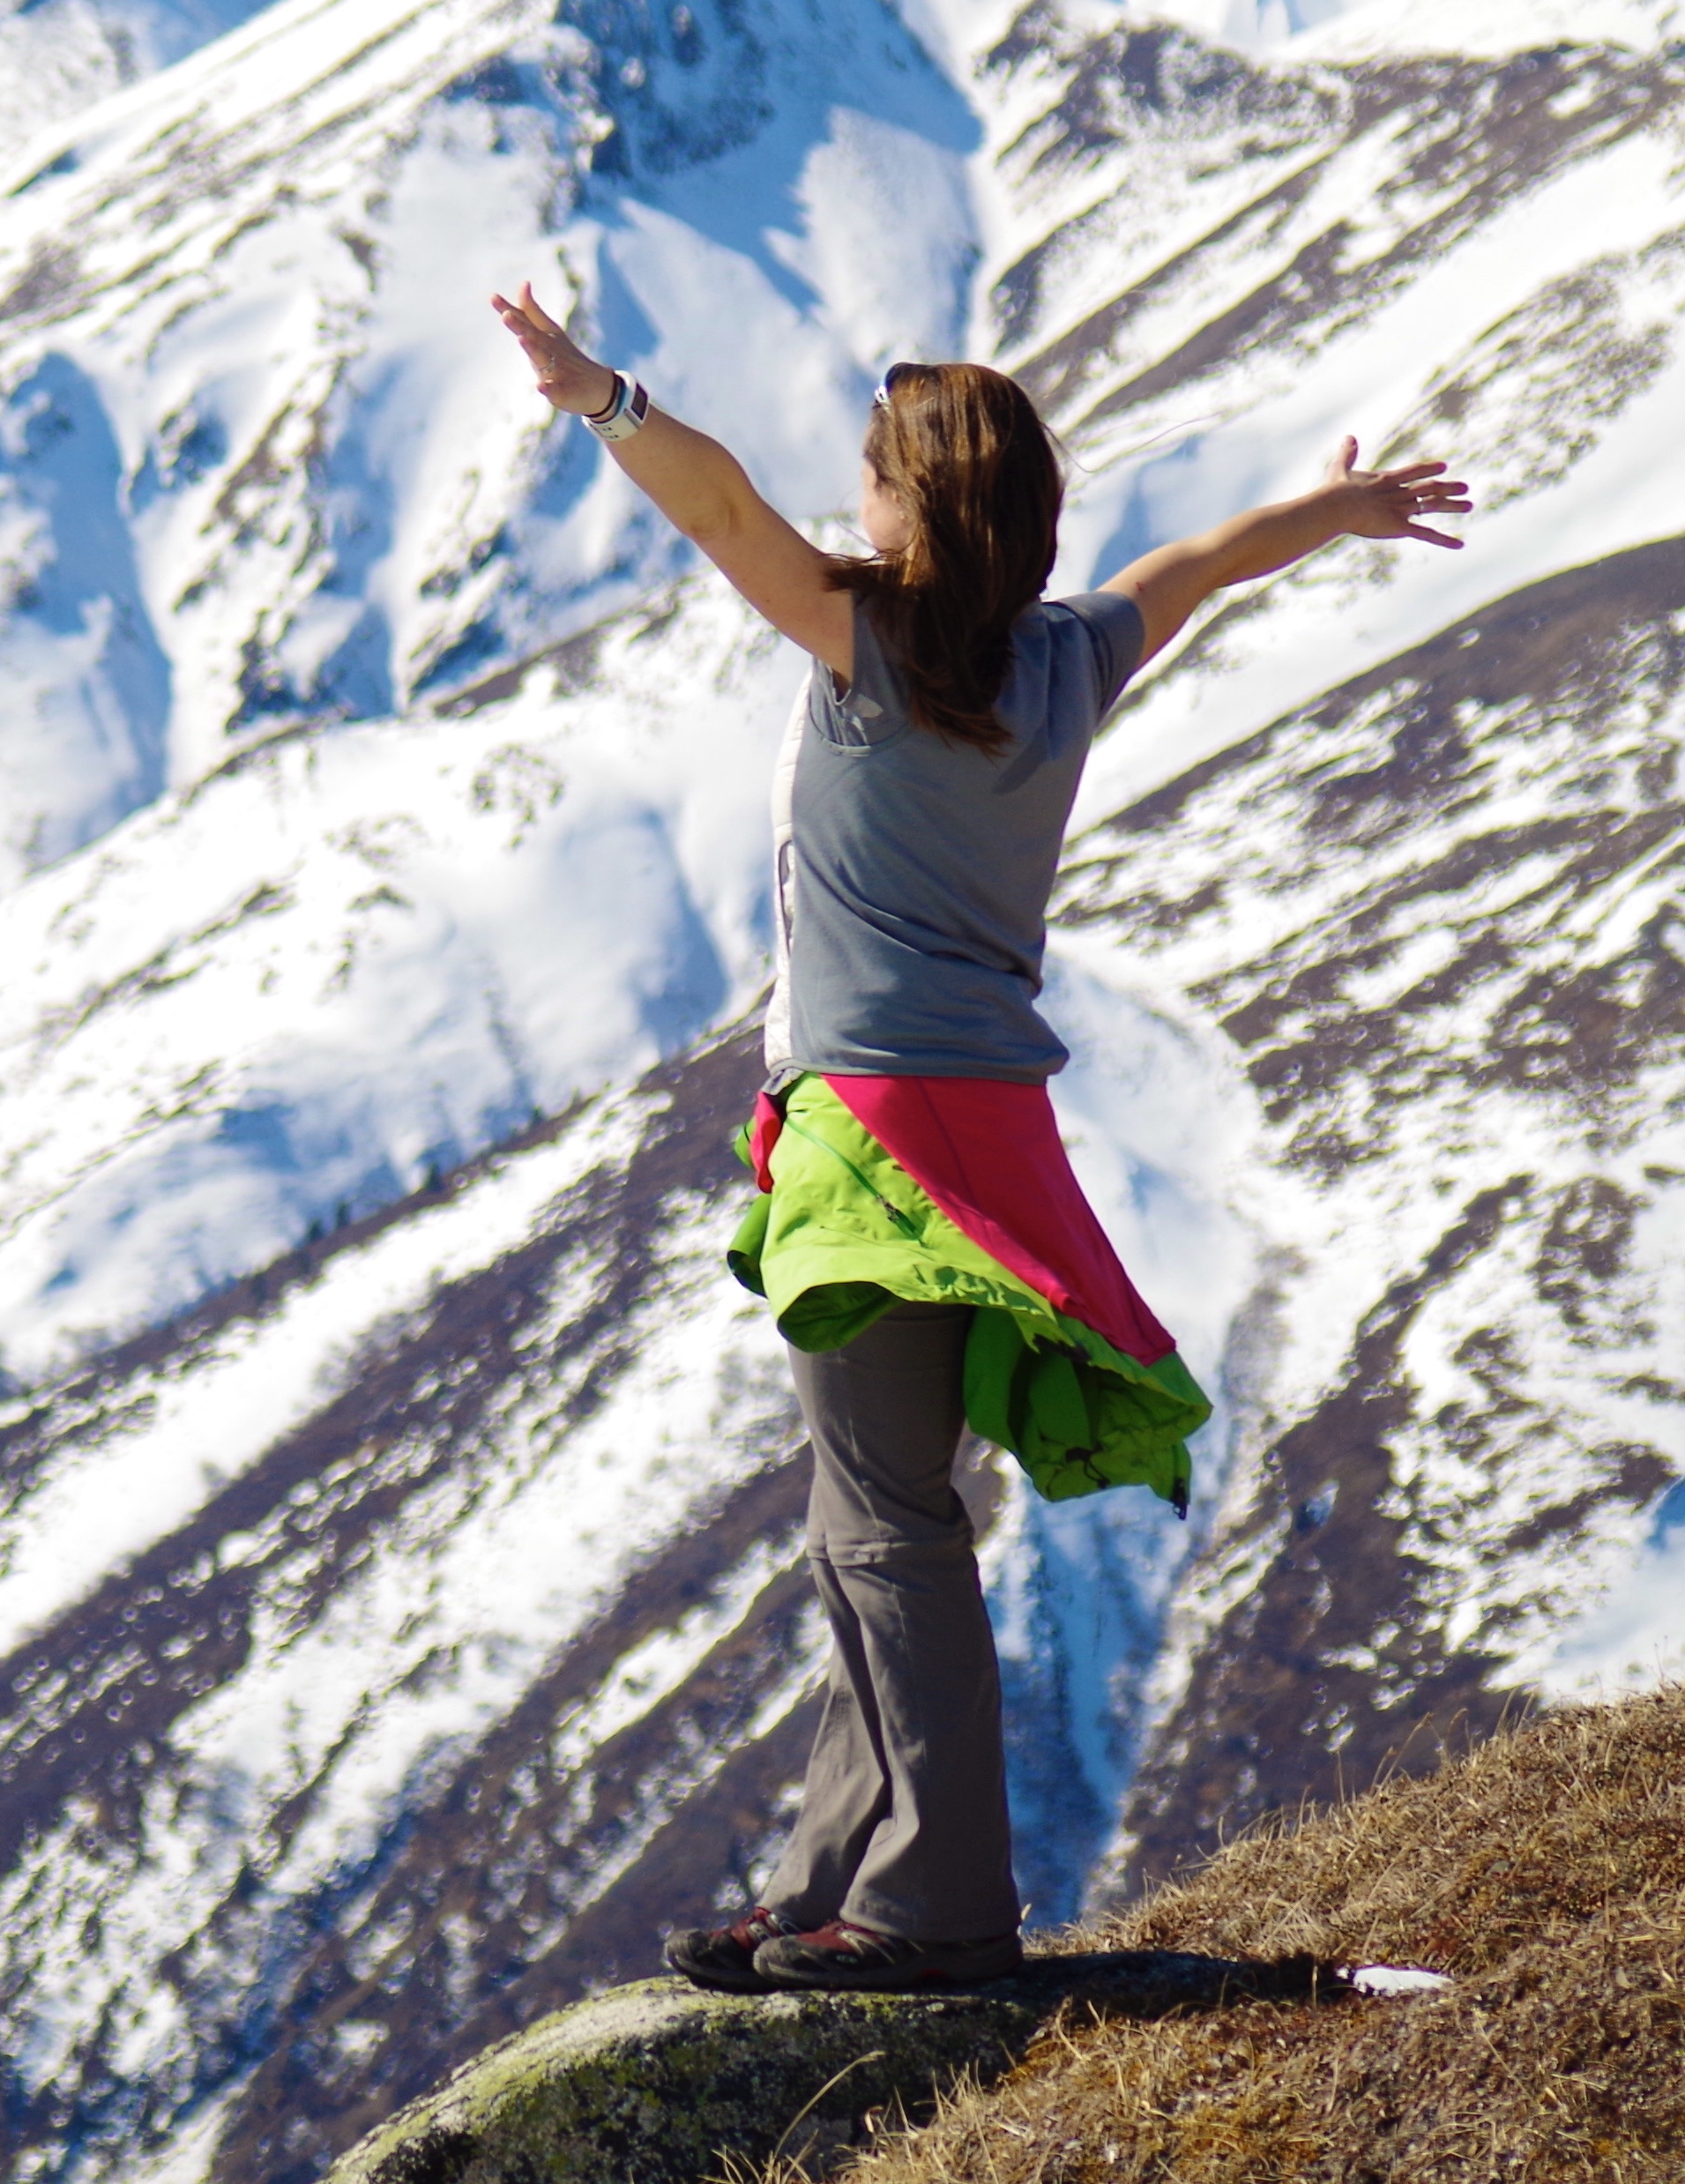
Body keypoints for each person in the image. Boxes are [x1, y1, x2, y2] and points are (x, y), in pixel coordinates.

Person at [487, 287, 1468, 1994]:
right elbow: (1210, 564)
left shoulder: (863, 644)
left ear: (917, 509)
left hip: (867, 1135)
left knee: (886, 1525)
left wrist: (605, 397)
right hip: (989, 1125)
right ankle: (837, 1875)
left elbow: (717, 506)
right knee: (876, 1511)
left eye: (874, 478)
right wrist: (1343, 513)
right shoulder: (1064, 660)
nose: (850, 501)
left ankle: (929, 1908)